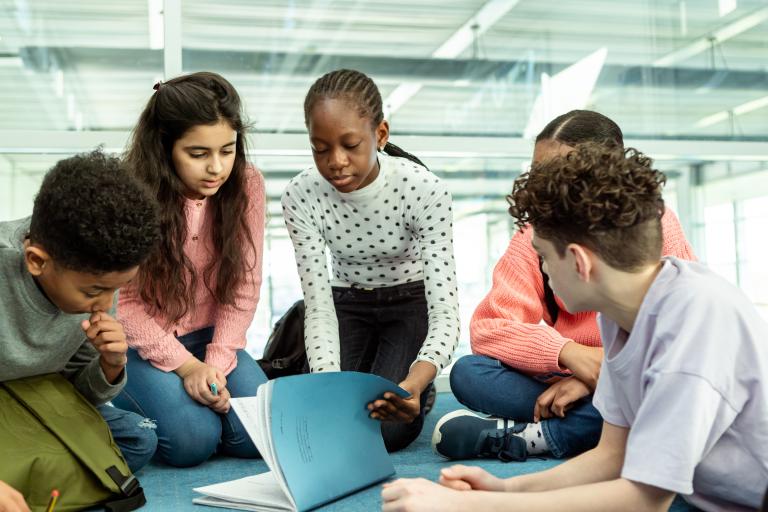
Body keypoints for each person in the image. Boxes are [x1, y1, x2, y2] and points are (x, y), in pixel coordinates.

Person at [382, 143, 768, 512]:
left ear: (579, 263)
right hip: (703, 495)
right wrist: (505, 487)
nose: (544, 270)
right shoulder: (623, 313)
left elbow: (645, 501)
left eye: (544, 257)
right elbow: (611, 456)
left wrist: (472, 506)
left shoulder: (694, 323)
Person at [432, 110, 695, 462]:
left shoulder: (653, 227)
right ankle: (588, 420)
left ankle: (536, 435)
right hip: (569, 375)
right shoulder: (537, 233)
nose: (544, 188)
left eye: (558, 173)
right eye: (538, 174)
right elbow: (489, 329)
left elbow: (671, 345)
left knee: (655, 393)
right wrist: (570, 355)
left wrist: (597, 377)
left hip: (633, 373)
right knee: (468, 372)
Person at [281, 68, 460, 452]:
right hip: (348, 301)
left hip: (409, 303)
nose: (336, 162)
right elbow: (318, 307)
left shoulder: (424, 189)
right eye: (320, 148)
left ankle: (418, 387)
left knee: (387, 429)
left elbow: (445, 311)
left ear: (380, 135)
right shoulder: (300, 194)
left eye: (350, 145)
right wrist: (327, 386)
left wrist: (413, 383)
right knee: (332, 416)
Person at [112, 72, 268, 467]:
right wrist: (187, 368)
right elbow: (123, 304)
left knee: (262, 432)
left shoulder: (247, 185)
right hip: (140, 345)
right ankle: (114, 402)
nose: (216, 168)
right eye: (198, 154)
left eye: (227, 151)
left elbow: (244, 287)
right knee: (191, 443)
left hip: (211, 338)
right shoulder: (130, 191)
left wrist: (213, 364)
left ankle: (199, 413)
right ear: (165, 148)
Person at [0, 150, 160, 502]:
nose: (106, 304)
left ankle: (27, 471)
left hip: (39, 397)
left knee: (137, 439)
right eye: (95, 291)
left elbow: (79, 394)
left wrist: (110, 365)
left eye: (116, 289)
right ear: (37, 261)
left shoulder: (98, 269)